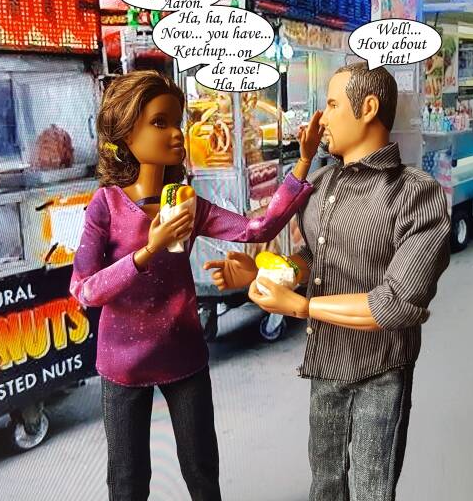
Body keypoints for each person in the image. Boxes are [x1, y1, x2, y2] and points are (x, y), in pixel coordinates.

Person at [204, 63, 451, 501]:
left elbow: (395, 303)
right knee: (325, 483)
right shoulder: (320, 183)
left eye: (333, 104)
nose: (321, 117)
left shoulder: (416, 193)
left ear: (368, 108)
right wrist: (262, 274)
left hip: (381, 368)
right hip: (327, 361)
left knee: (373, 488)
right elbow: (315, 258)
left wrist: (301, 307)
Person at [69, 70, 319, 501]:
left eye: (177, 122)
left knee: (201, 469)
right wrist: (149, 250)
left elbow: (257, 228)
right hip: (123, 362)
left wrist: (302, 163)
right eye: (160, 122)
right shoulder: (106, 206)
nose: (176, 134)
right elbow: (85, 290)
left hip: (183, 351)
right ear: (126, 132)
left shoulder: (185, 203)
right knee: (127, 480)